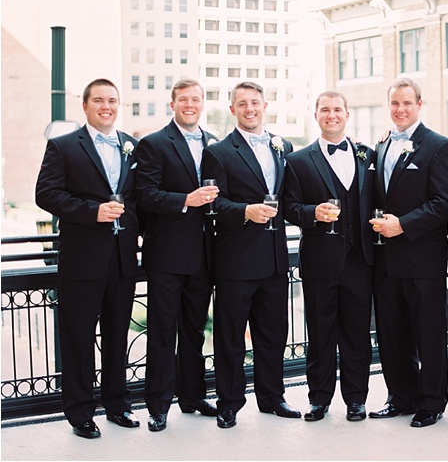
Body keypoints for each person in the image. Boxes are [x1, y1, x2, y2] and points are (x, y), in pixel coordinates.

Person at [35, 79, 140, 439]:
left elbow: (139, 199)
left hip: (123, 258)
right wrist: (91, 211)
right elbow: (45, 194)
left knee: (116, 335)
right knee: (79, 339)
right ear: (85, 106)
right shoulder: (63, 146)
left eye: (112, 100)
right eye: (99, 100)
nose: (106, 106)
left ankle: (118, 404)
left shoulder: (132, 146)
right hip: (82, 260)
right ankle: (80, 412)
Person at [201, 82, 301, 428]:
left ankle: (273, 398)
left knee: (273, 333)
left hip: (275, 257)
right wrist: (245, 211)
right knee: (230, 336)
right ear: (232, 110)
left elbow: (290, 197)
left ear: (265, 105)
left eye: (254, 103)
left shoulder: (282, 145)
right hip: (237, 260)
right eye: (241, 104)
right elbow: (213, 202)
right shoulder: (218, 151)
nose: (249, 109)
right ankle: (229, 402)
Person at [367, 78, 448, 428]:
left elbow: (443, 203)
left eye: (407, 103)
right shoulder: (381, 145)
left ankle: (432, 401)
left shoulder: (438, 146)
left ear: (420, 104)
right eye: (394, 104)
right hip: (385, 259)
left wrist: (403, 225)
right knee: (392, 333)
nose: (400, 110)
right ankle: (400, 396)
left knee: (429, 333)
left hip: (423, 259)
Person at [283, 92, 376, 422]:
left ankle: (356, 399)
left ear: (347, 114)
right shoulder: (297, 161)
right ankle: (319, 398)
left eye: (338, 109)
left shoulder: (369, 155)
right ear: (316, 115)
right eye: (326, 110)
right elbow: (289, 208)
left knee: (357, 334)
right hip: (320, 261)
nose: (332, 115)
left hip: (360, 260)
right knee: (320, 333)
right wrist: (312, 213)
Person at [135, 79, 219, 432]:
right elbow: (145, 195)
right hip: (167, 255)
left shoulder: (215, 143)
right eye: (183, 99)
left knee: (194, 332)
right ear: (172, 104)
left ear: (203, 104)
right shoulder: (154, 144)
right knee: (162, 331)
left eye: (195, 100)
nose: (190, 105)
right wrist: (185, 200)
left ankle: (192, 395)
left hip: (206, 255)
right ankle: (158, 405)